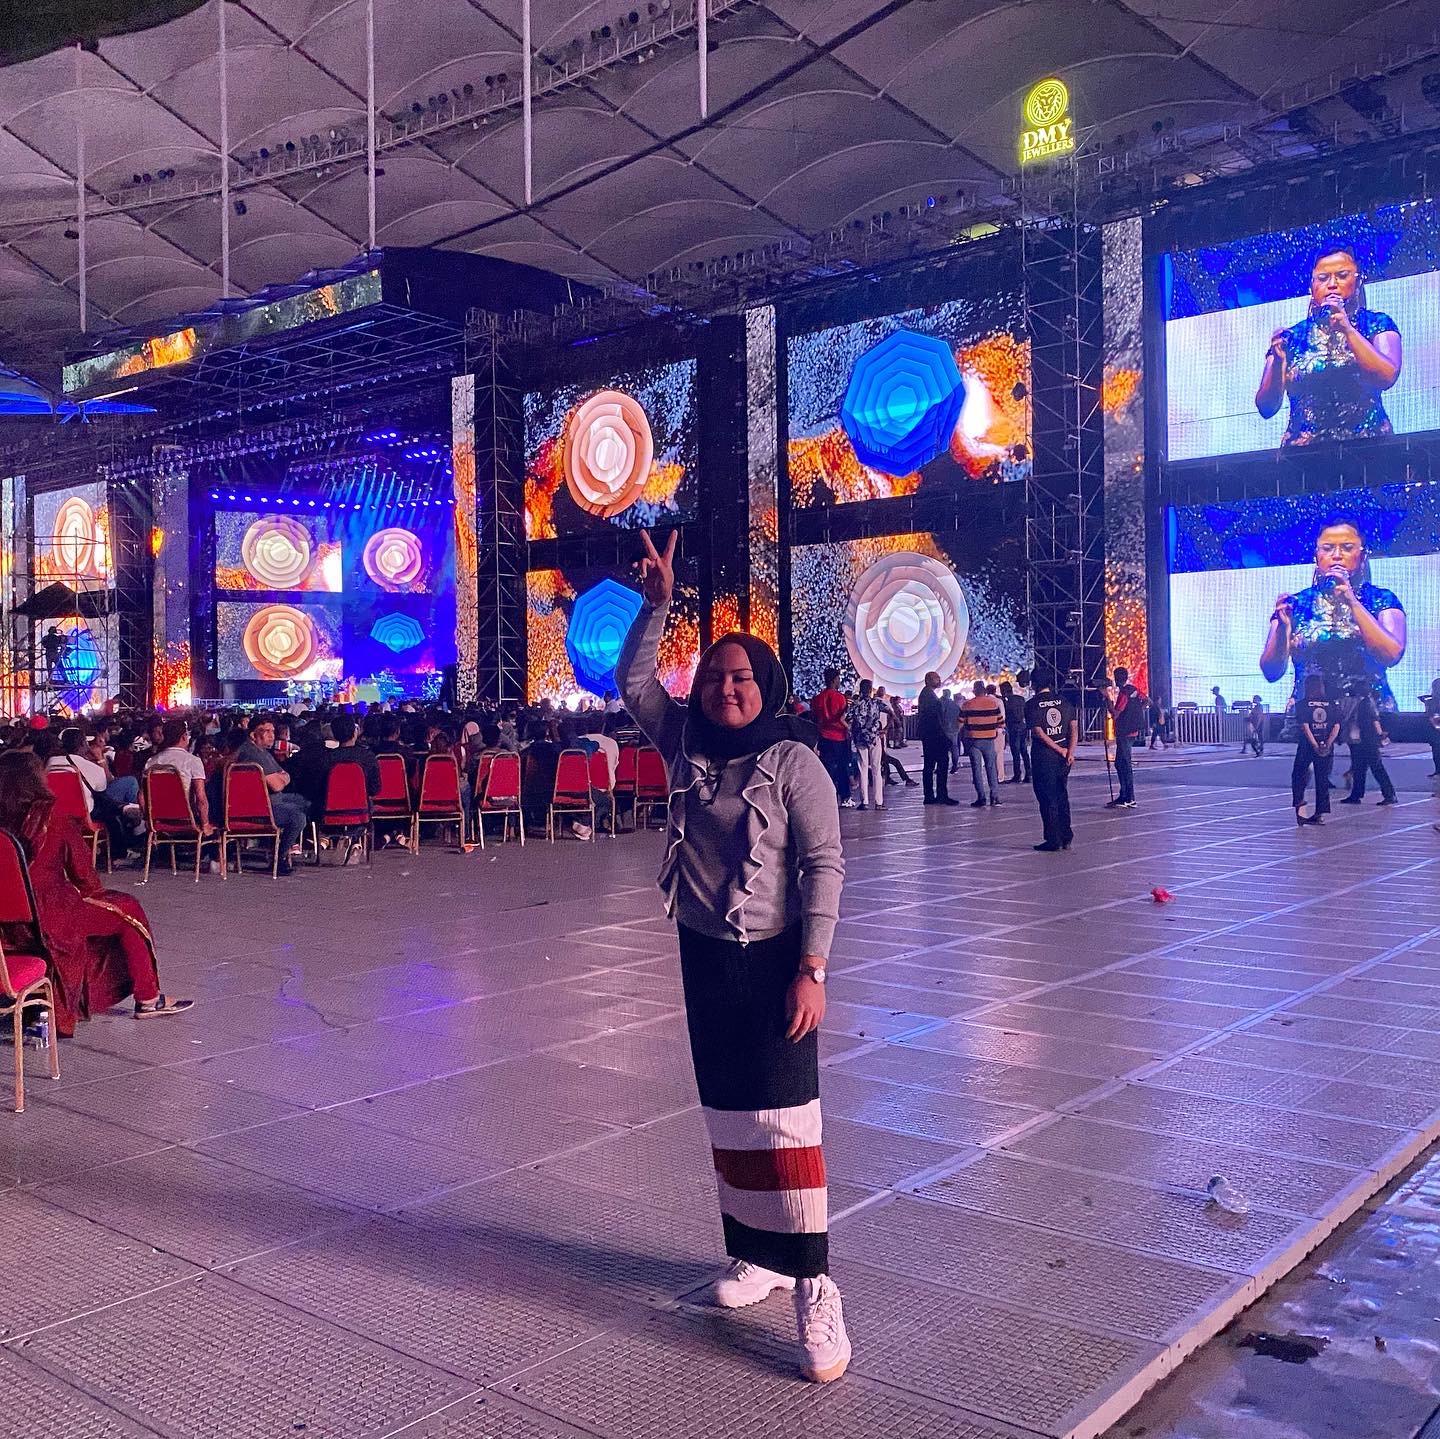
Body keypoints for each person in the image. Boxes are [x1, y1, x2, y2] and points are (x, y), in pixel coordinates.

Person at [618, 530, 850, 1384]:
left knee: (788, 1119)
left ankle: (816, 1283)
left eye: (741, 676)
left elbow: (824, 865)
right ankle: (757, 1253)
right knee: (728, 1109)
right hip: (704, 950)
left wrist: (812, 969)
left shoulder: (794, 761)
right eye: (715, 675)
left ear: (767, 684)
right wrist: (656, 606)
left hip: (777, 959)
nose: (725, 687)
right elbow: (634, 683)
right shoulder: (683, 741)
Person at [0, 751, 193, 1034]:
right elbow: (84, 876)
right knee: (127, 910)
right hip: (49, 915)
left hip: (7, 926)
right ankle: (149, 998)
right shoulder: (52, 815)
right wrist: (93, 895)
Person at [1254, 245, 1402, 447]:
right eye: (1323, 278)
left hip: (1369, 449)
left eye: (1342, 276)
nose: (1332, 285)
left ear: (1358, 281)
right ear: (1312, 286)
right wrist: (1278, 362)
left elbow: (1386, 377)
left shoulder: (1376, 324)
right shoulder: (1293, 337)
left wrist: (1348, 329)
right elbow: (1266, 408)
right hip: (1304, 455)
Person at [1260, 521, 1406, 710]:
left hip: (1371, 716)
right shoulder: (1296, 604)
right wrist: (1282, 629)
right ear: (1317, 556)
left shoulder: (1381, 599)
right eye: (1328, 548)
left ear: (1362, 556)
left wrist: (1352, 602)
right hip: (1310, 716)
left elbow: (1391, 655)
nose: (1337, 555)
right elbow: (1271, 673)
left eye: (1347, 548)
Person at [229, 715, 309, 873]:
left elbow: (284, 774)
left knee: (305, 802)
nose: (272, 735)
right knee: (298, 817)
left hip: (270, 800)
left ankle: (285, 844)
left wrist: (282, 777)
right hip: (260, 807)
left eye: (273, 731)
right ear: (253, 734)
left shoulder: (263, 752)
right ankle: (279, 856)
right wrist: (282, 777)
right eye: (266, 731)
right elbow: (277, 785)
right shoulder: (253, 754)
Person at [1027, 673, 1076, 852]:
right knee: (1062, 795)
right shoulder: (1064, 701)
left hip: (1043, 757)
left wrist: (1058, 749)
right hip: (1063, 758)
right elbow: (1073, 727)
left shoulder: (1032, 704)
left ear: (1034, 684)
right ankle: (1066, 836)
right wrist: (1069, 751)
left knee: (1047, 798)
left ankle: (1053, 839)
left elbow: (1039, 732)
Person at [145, 718, 213, 834]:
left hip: (159, 820)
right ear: (183, 737)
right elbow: (201, 798)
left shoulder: (151, 762)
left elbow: (142, 796)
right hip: (187, 819)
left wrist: (149, 818)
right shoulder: (193, 761)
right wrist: (205, 824)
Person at [1338, 680, 1397, 807]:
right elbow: (1375, 720)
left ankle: (1388, 794)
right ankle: (1358, 794)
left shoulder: (1363, 703)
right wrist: (1380, 734)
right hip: (1365, 739)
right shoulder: (1366, 702)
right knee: (1362, 768)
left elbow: (1374, 720)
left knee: (1371, 767)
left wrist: (1380, 734)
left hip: (1363, 739)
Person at [1292, 674, 1339, 826]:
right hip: (1326, 744)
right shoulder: (1331, 703)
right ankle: (1320, 814)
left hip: (1307, 745)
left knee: (1299, 776)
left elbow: (1305, 726)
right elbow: (1336, 725)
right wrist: (1327, 744)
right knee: (1322, 779)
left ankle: (1301, 810)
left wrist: (1314, 744)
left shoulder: (1302, 704)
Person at [811, 669, 853, 808]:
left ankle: (826, 796)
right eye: (838, 679)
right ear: (834, 679)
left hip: (824, 737)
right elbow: (844, 718)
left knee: (827, 769)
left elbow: (815, 718)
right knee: (842, 769)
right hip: (839, 737)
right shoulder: (840, 698)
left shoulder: (817, 698)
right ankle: (845, 797)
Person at [959, 680, 1004, 808]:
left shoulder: (967, 705)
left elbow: (960, 723)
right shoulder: (993, 704)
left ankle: (981, 797)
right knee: (991, 768)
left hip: (973, 741)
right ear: (984, 691)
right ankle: (994, 796)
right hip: (989, 740)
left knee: (976, 769)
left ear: (974, 691)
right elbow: (1001, 723)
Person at [1104, 668, 1144, 810]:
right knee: (1120, 763)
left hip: (1125, 732)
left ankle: (1129, 798)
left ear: (1116, 679)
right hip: (1132, 731)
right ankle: (1124, 795)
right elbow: (1148, 701)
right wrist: (1136, 711)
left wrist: (1108, 699)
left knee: (1125, 764)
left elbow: (1115, 714)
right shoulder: (1134, 690)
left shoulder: (1124, 694)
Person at [916, 673, 957, 806]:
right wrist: (944, 735)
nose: (939, 680)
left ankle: (932, 795)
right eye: (936, 678)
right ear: (928, 680)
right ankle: (940, 795)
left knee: (930, 765)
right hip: (934, 735)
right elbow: (934, 717)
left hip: (930, 735)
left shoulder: (928, 694)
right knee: (940, 763)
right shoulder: (928, 696)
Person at [847, 679, 888, 811]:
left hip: (860, 738)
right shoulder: (877, 703)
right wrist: (885, 729)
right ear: (870, 689)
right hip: (874, 737)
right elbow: (892, 714)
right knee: (876, 769)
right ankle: (879, 802)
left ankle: (864, 801)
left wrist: (852, 730)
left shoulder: (856, 704)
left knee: (863, 769)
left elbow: (846, 718)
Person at [999, 680, 1030, 784]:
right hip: (1023, 726)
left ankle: (1017, 775)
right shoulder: (1020, 699)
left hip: (1013, 728)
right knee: (1024, 751)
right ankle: (1028, 774)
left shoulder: (1005, 701)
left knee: (1015, 752)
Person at [1422, 679, 1440, 778]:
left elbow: (1430, 715)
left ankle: (1438, 770)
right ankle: (1438, 771)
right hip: (1436, 728)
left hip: (1435, 729)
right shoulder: (1431, 701)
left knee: (1436, 751)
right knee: (1436, 751)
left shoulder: (1431, 702)